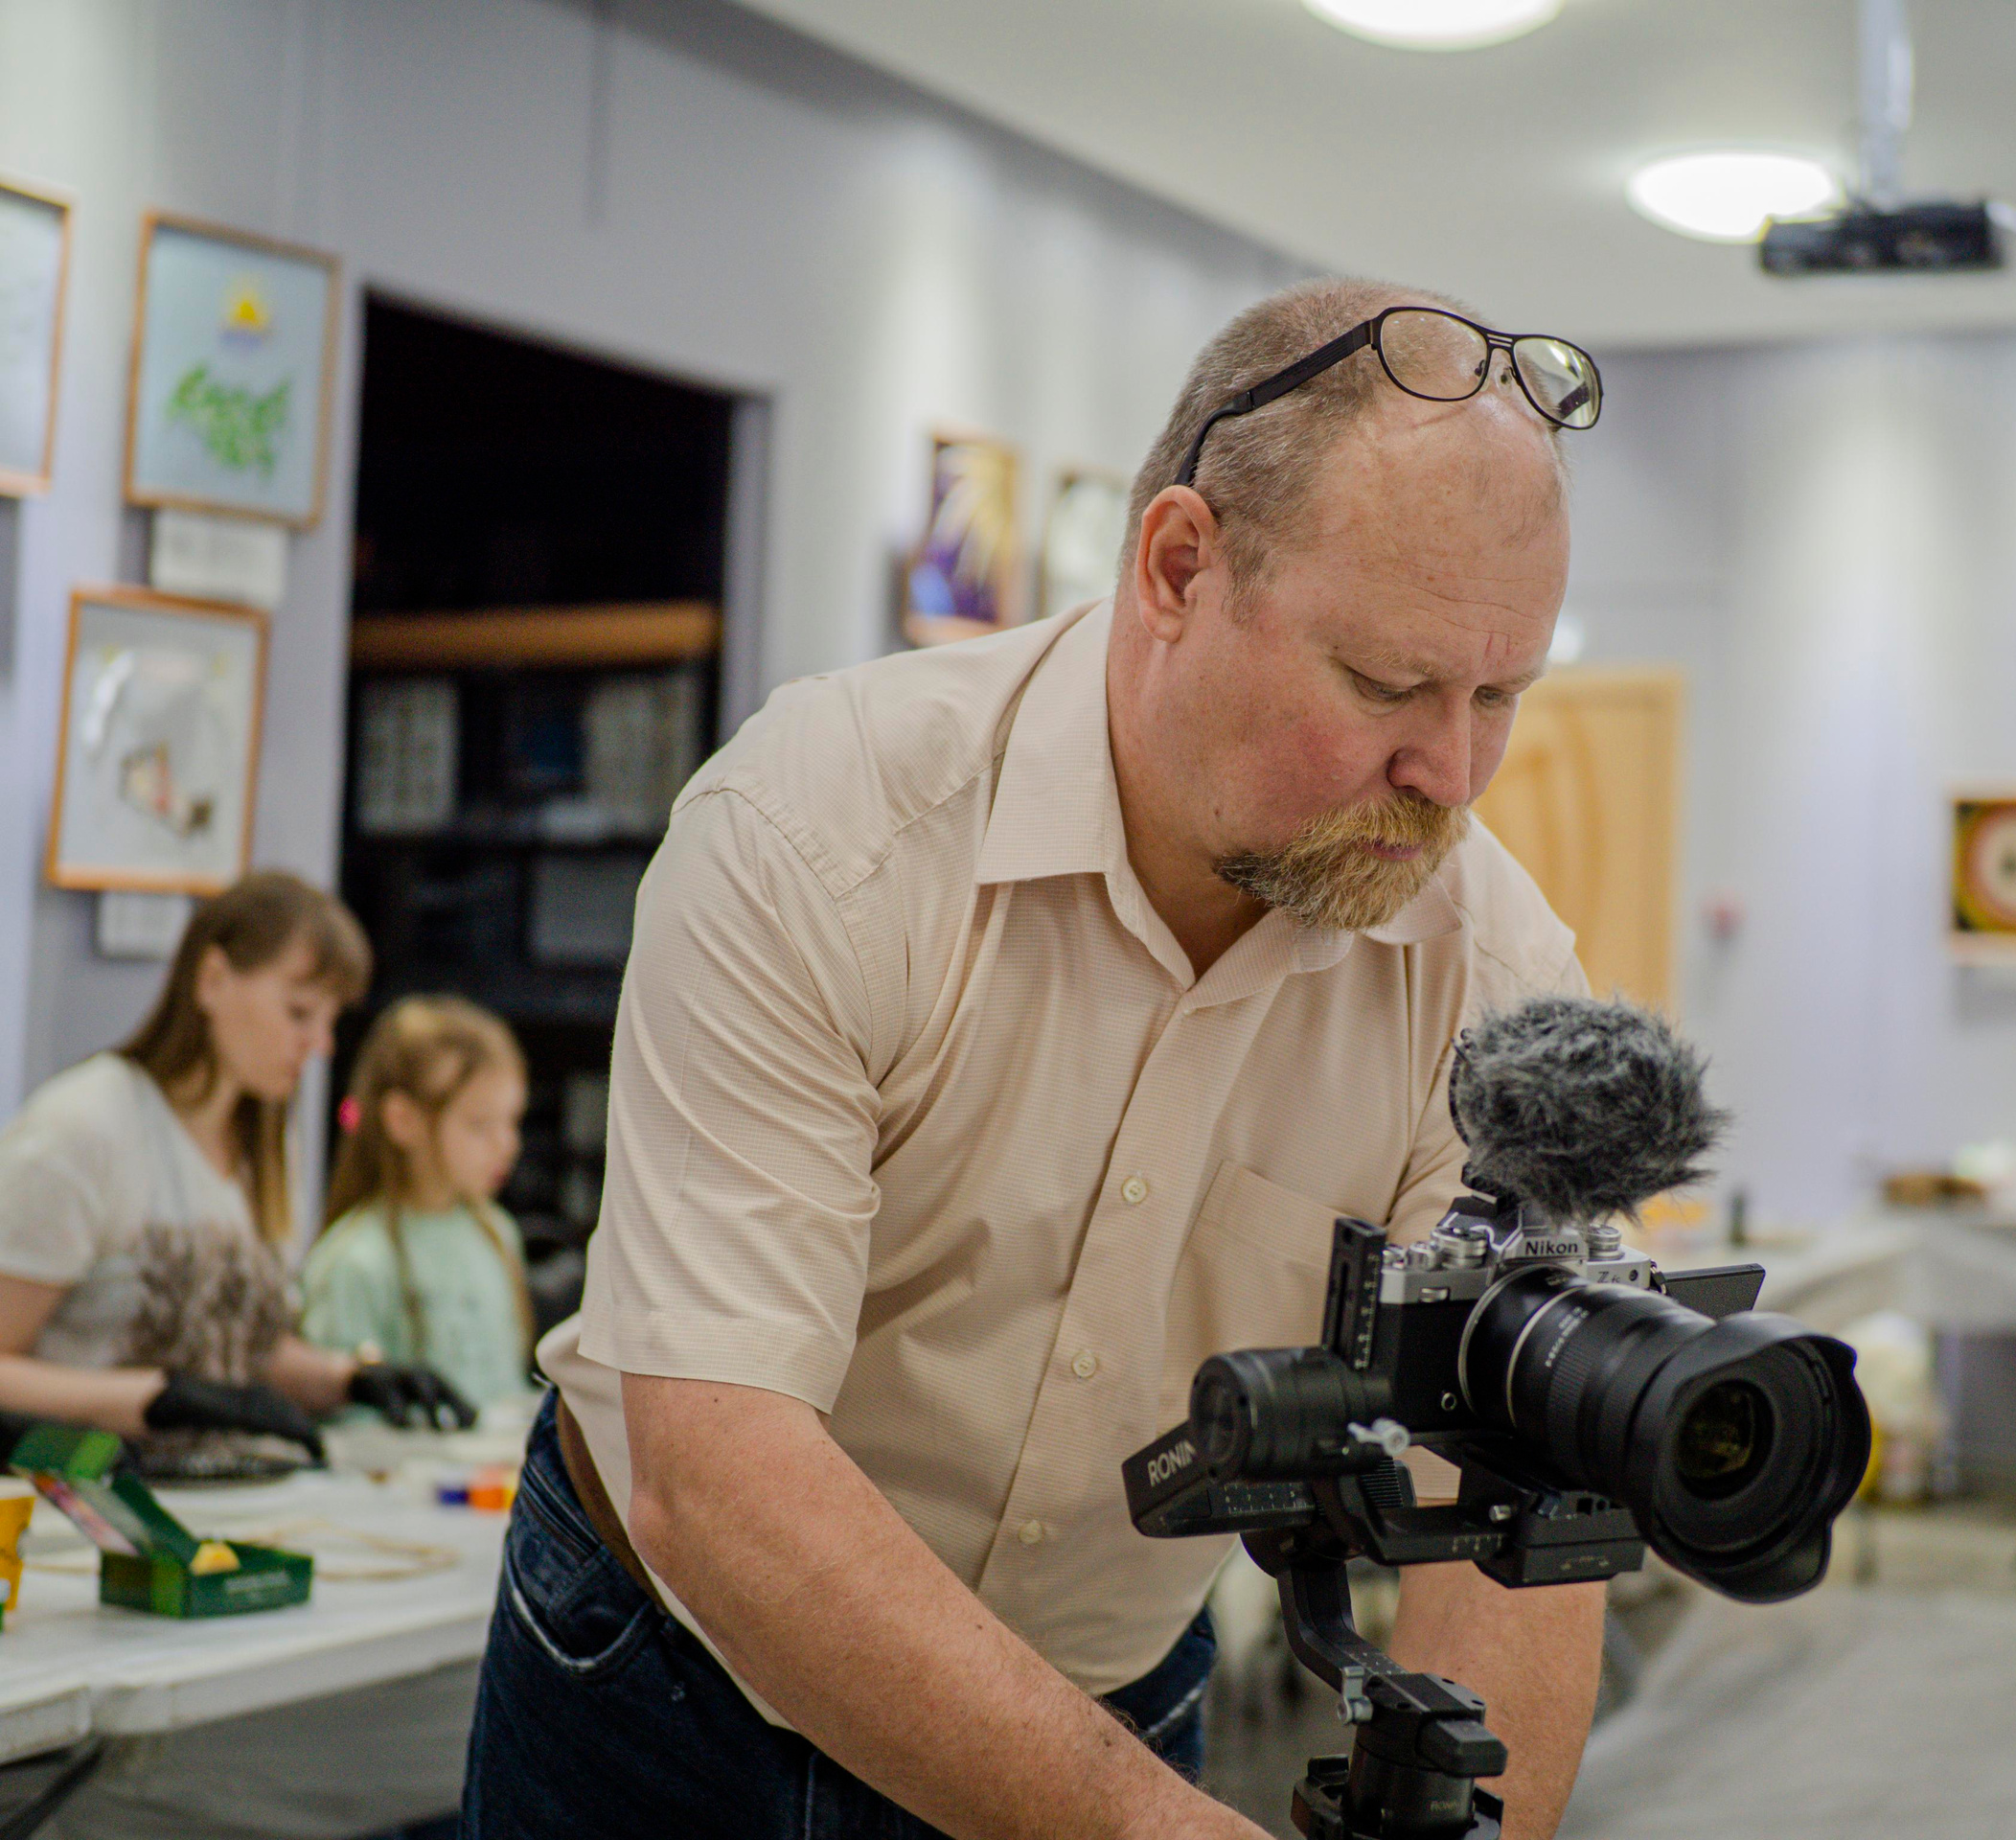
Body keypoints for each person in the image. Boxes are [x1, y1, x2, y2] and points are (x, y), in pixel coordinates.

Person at [464, 279, 1609, 1840]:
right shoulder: (826, 826)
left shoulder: (1504, 985)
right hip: (667, 1676)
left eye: (1501, 698)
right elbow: (718, 1467)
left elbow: (1515, 1508)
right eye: (1387, 684)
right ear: (1180, 567)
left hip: (1100, 1685)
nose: (1448, 774)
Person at [0, 872, 474, 1469]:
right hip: (101, 1502)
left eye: (330, 1021)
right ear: (212, 979)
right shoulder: (84, 1127)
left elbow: (235, 1349)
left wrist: (348, 1378)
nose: (320, 1045)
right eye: (299, 1012)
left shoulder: (266, 1144)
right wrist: (154, 1399)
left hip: (232, 1490)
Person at [305, 996, 538, 1412]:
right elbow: (349, 1426)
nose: (507, 1144)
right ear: (403, 1120)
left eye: (513, 1121)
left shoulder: (498, 1234)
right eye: (480, 1125)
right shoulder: (356, 1260)